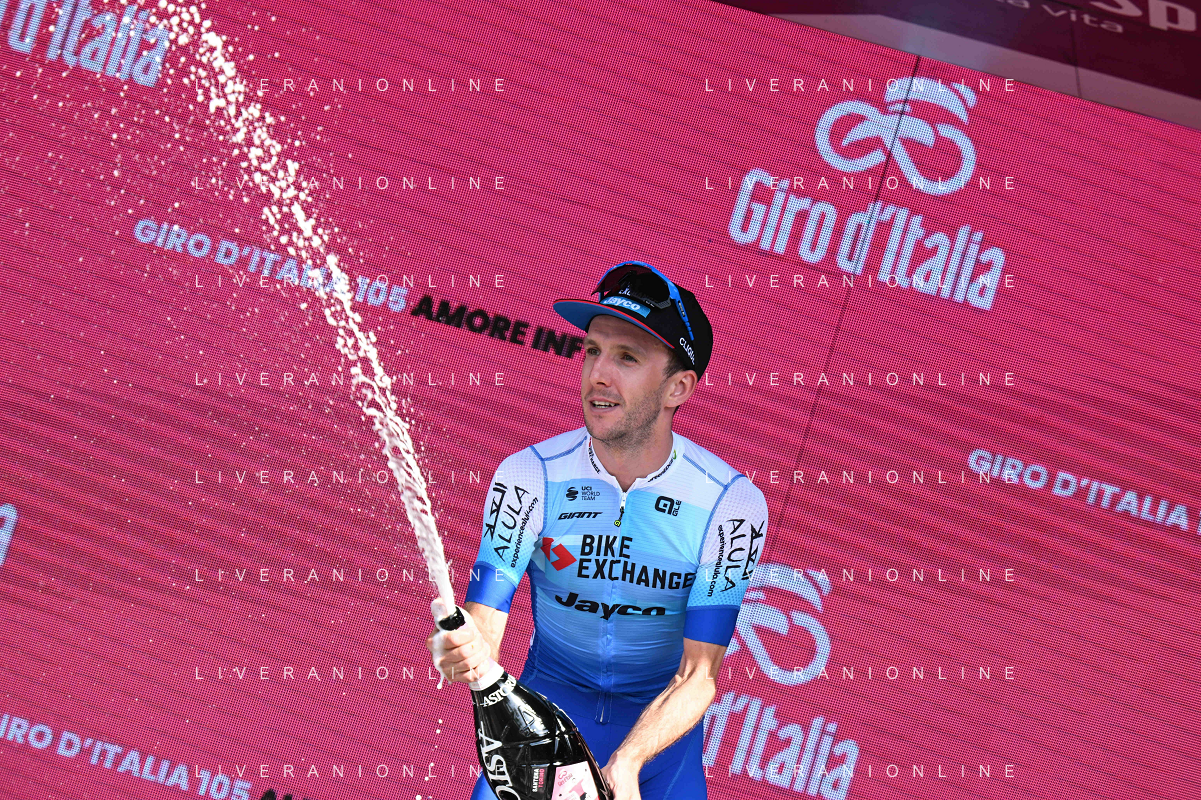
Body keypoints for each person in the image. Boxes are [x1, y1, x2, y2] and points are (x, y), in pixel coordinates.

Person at [427, 261, 769, 800]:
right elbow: (484, 624)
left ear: (678, 387)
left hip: (659, 754)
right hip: (540, 734)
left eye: (627, 357)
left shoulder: (731, 503)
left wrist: (627, 763)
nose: (598, 375)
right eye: (592, 351)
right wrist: (465, 649)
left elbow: (698, 675)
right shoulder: (528, 475)